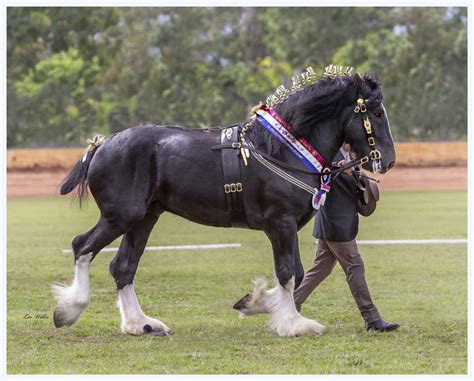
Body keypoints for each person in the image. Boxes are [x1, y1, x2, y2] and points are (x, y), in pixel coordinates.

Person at [294, 144, 399, 332]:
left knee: (320, 269)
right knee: (355, 267)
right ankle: (372, 318)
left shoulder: (347, 152)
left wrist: (355, 171)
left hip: (336, 223)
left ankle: (289, 307)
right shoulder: (329, 151)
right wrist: (350, 172)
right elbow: (327, 181)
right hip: (336, 224)